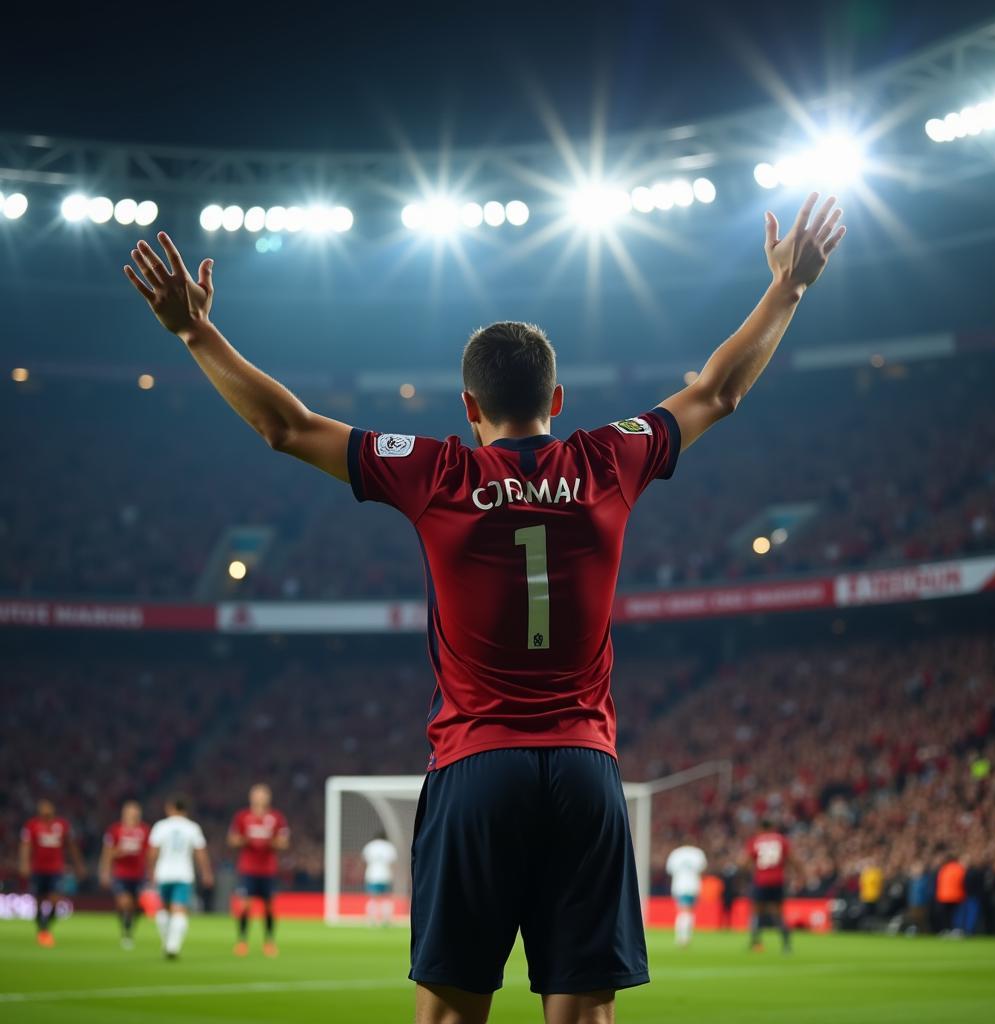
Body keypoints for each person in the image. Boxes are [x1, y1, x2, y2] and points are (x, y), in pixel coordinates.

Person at [123, 192, 845, 1023]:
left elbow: (286, 427)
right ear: (559, 399)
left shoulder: (435, 473)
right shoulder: (611, 457)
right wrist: (788, 288)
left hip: (475, 766)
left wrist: (194, 330)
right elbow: (718, 391)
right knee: (584, 1015)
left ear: (469, 409)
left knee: (452, 1012)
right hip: (583, 766)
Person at [147, 795, 213, 960]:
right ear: (185, 810)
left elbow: (153, 851)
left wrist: (150, 871)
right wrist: (206, 872)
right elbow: (201, 852)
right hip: (183, 874)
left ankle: (167, 943)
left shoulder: (160, 826)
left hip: (164, 873)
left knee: (164, 909)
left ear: (170, 808)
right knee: (179, 910)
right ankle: (173, 946)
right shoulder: (192, 828)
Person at [228, 783, 289, 957]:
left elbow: (284, 842)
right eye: (257, 795)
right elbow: (232, 840)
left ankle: (269, 941)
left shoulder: (276, 817)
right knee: (245, 904)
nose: (260, 798)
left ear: (268, 798)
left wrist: (269, 841)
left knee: (269, 907)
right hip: (248, 868)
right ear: (251, 797)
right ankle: (242, 941)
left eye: (263, 795)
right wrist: (247, 840)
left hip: (268, 869)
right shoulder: (242, 816)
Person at [18, 799, 85, 947]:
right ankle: (42, 928)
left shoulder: (61, 826)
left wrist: (78, 864)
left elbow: (71, 846)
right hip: (38, 869)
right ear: (39, 812)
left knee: (55, 900)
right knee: (39, 901)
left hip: (56, 869)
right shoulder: (32, 826)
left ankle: (45, 927)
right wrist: (24, 864)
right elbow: (25, 846)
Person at [99, 799, 150, 949]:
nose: (134, 816)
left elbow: (149, 853)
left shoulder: (145, 830)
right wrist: (105, 871)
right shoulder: (114, 830)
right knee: (124, 902)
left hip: (139, 874)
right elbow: (107, 853)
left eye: (136, 813)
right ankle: (126, 931)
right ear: (124, 814)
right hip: (121, 873)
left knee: (136, 906)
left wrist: (152, 872)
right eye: (131, 813)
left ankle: (130, 926)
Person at [746, 820, 792, 953]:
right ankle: (786, 944)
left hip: (761, 880)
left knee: (756, 912)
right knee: (779, 913)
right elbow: (790, 858)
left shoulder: (756, 841)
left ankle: (755, 942)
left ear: (761, 828)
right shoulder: (781, 840)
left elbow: (748, 860)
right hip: (778, 880)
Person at [665, 843, 707, 947]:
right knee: (688, 911)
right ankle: (684, 938)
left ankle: (682, 937)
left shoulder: (676, 853)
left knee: (682, 911)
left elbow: (669, 870)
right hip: (692, 885)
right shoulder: (697, 853)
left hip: (679, 885)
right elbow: (703, 868)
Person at [362, 832, 399, 926]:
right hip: (385, 875)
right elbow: (393, 863)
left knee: (373, 898)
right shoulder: (389, 847)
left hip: (372, 875)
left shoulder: (370, 846)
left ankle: (371, 920)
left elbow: (364, 860)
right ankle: (386, 920)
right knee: (386, 898)